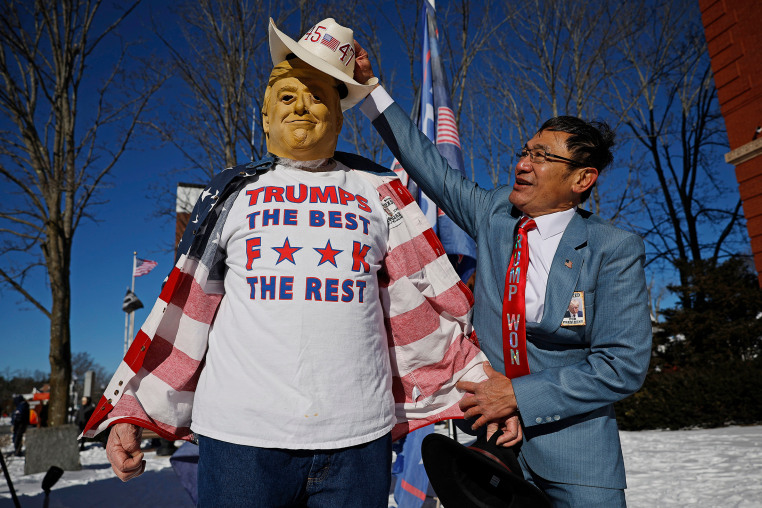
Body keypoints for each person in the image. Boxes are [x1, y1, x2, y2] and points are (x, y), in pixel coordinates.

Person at [81, 18, 494, 507]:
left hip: (358, 442)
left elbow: (424, 301)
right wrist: (132, 410)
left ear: (340, 119)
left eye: (318, 96)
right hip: (239, 442)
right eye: (287, 96)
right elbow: (186, 312)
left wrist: (482, 380)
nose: (301, 106)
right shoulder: (230, 195)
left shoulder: (381, 193)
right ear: (264, 118)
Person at [354, 53, 652, 507]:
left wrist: (515, 395)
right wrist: (370, 89)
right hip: (493, 449)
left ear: (582, 178)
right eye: (525, 152)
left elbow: (621, 366)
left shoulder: (612, 249)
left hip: (578, 461)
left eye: (543, 157)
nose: (524, 164)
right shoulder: (494, 216)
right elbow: (427, 165)